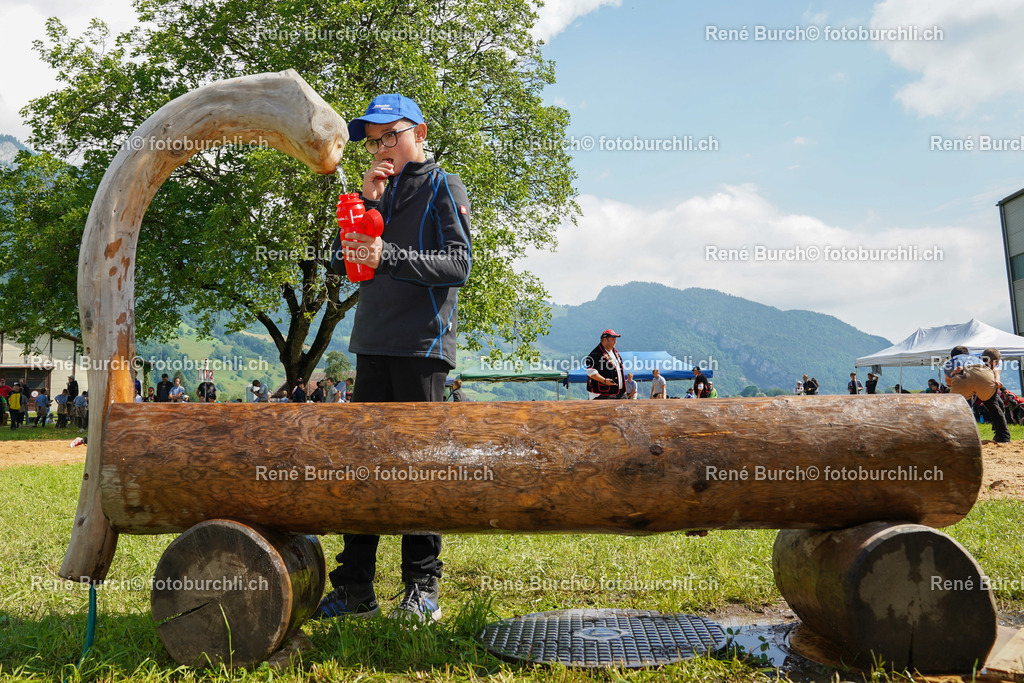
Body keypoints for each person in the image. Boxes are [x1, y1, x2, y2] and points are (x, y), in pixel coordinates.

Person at [316, 93, 472, 623]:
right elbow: (342, 264)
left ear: (419, 133)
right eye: (373, 140)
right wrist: (366, 203)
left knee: (419, 468)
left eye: (391, 134)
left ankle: (422, 588)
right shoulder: (375, 195)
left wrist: (391, 254)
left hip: (422, 348)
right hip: (371, 345)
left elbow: (458, 265)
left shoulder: (444, 185)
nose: (381, 146)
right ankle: (355, 588)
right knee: (363, 466)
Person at [944, 345, 1010, 443]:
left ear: (952, 356)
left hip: (961, 378)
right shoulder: (975, 357)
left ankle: (960, 436)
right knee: (993, 406)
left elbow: (948, 382)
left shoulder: (950, 362)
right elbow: (991, 371)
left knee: (959, 409)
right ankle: (1003, 437)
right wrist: (995, 380)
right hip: (983, 375)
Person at [586, 330, 626, 399]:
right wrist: (604, 380)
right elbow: (591, 372)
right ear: (605, 340)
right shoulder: (595, 354)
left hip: (619, 393)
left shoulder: (614, 352)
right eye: (613, 339)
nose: (615, 342)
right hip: (602, 394)